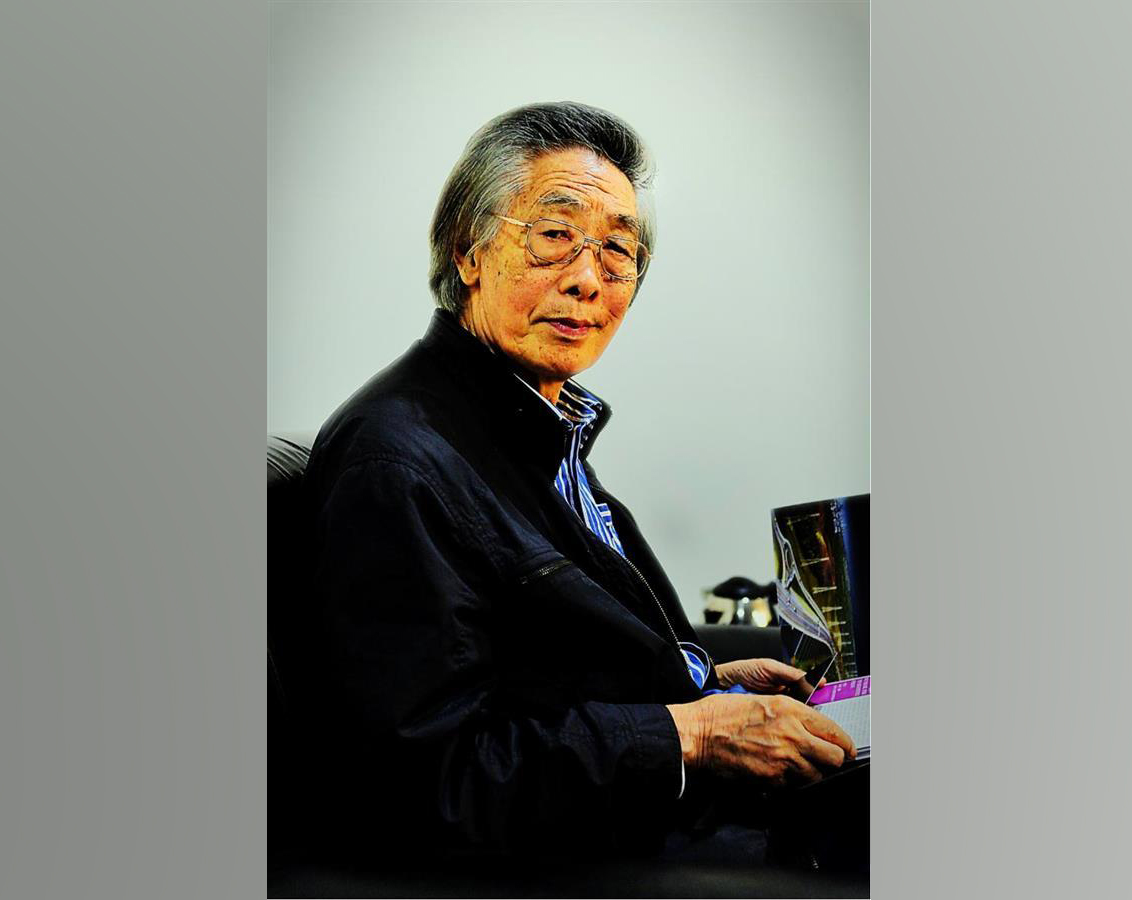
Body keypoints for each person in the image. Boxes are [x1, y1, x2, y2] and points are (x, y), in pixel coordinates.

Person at [297, 101, 855, 860]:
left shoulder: (533, 428)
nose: (588, 279)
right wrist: (690, 734)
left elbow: (541, 664)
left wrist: (700, 679)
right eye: (555, 236)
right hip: (612, 852)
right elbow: (431, 779)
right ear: (467, 251)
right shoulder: (397, 463)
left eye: (618, 250)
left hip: (656, 808)